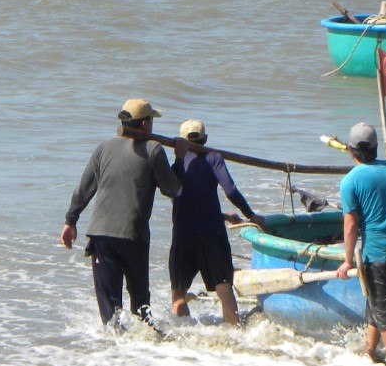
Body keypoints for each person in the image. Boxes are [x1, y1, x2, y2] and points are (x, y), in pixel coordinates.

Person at [61, 98, 183, 327]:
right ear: (145, 124)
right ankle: (148, 342)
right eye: (151, 120)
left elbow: (84, 189)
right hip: (133, 236)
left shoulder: (103, 148)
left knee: (110, 310)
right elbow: (172, 189)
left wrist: (70, 221)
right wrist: (180, 159)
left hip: (101, 236)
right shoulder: (154, 150)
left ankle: (116, 346)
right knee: (141, 305)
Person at [168, 119, 265, 326]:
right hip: (211, 234)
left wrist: (222, 215)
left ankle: (183, 335)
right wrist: (251, 215)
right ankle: (235, 332)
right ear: (205, 139)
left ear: (180, 143)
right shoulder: (213, 157)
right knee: (223, 287)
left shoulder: (177, 165)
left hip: (183, 234)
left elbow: (183, 201)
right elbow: (230, 190)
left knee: (178, 293)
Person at [336, 122, 386, 366]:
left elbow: (350, 225)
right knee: (376, 303)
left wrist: (348, 260)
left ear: (350, 150)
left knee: (383, 308)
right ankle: (369, 350)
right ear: (376, 148)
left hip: (377, 254)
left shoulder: (350, 181)